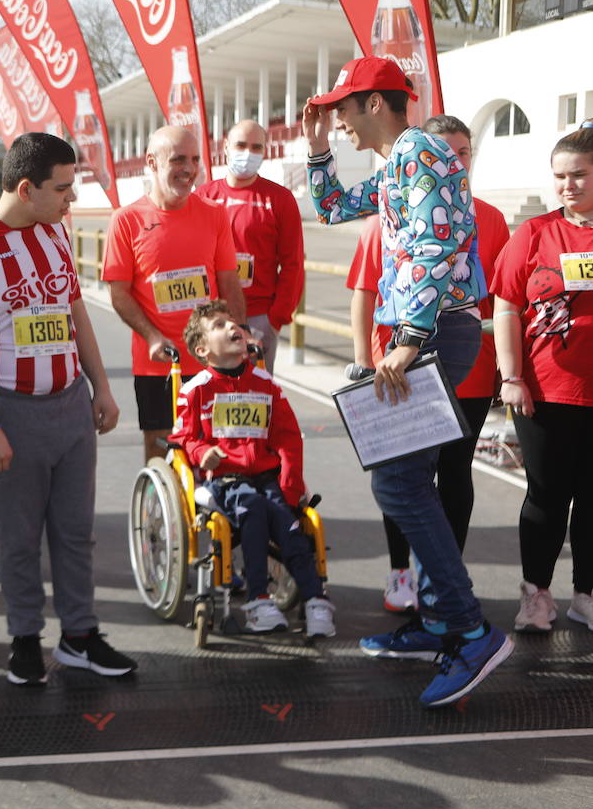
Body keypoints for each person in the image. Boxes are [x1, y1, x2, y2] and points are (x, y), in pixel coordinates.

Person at [302, 55, 511, 707]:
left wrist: (409, 340)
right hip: (435, 327)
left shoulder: (418, 151)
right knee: (405, 477)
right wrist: (314, 154)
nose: (335, 118)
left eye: (342, 107)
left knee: (398, 478)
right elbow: (335, 207)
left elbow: (435, 244)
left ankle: (470, 630)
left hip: (436, 328)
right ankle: (444, 622)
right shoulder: (400, 159)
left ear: (373, 103)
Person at [0, 132, 134, 685]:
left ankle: (80, 635)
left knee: (76, 533)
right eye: (63, 189)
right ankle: (26, 637)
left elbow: (76, 314)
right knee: (20, 537)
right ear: (26, 188)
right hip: (11, 412)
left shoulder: (55, 232)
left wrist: (101, 387)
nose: (71, 199)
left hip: (69, 406)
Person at [345, 114, 509, 612]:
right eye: (445, 153)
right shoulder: (392, 199)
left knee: (433, 476)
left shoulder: (489, 215)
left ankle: (451, 608)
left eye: (462, 154)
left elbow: (497, 297)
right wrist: (365, 359)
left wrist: (505, 368)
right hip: (405, 354)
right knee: (404, 478)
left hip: (450, 355)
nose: (452, 163)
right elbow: (364, 286)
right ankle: (423, 592)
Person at [170, 300, 336, 636]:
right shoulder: (196, 390)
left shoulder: (266, 385)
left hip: (267, 477)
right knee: (255, 509)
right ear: (202, 349)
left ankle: (316, 600)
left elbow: (289, 438)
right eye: (219, 325)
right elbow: (182, 438)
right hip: (225, 481)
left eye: (232, 321)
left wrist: (290, 489)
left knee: (290, 525)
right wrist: (203, 452)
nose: (232, 326)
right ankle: (259, 599)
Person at [492, 127, 593, 633]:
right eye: (560, 177)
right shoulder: (533, 234)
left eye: (579, 174)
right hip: (546, 391)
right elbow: (506, 306)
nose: (568, 185)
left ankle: (587, 594)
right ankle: (536, 595)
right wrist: (511, 376)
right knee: (547, 498)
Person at [101, 125, 245, 463]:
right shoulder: (126, 220)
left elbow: (229, 282)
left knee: (217, 448)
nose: (189, 168)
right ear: (151, 162)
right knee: (160, 447)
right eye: (178, 159)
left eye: (194, 159)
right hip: (160, 365)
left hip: (213, 359)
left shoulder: (214, 214)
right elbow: (119, 293)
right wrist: (151, 337)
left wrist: (240, 334)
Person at [194, 119, 304, 373]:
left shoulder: (280, 199)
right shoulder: (203, 197)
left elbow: (293, 264)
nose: (248, 153)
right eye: (241, 145)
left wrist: (275, 319)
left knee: (254, 402)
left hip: (260, 319)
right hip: (212, 319)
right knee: (209, 400)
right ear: (225, 146)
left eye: (257, 147)